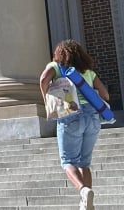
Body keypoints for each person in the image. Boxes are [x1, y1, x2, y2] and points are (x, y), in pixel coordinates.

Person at [40, 40, 110, 210]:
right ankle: (86, 203)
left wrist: (46, 99)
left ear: (59, 54)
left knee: (68, 161)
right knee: (85, 163)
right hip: (92, 117)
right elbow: (105, 95)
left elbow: (43, 79)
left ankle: (83, 191)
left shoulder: (56, 67)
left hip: (70, 114)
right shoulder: (89, 72)